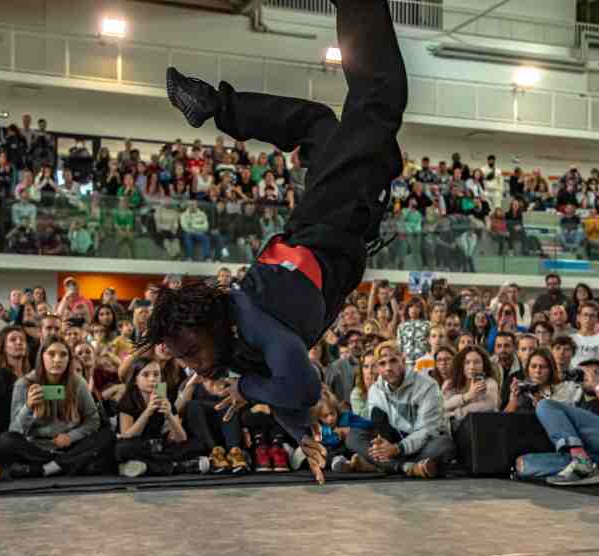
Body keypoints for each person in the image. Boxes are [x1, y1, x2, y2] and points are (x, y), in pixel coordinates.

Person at [153, 0, 408, 484]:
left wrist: (250, 389)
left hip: (332, 220)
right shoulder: (240, 345)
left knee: (381, 96)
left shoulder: (248, 323)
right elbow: (289, 390)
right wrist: (301, 436)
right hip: (324, 226)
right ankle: (217, 107)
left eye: (188, 353)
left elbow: (303, 384)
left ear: (205, 326)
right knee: (317, 126)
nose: (190, 367)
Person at [0, 335, 114, 478]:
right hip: (37, 447)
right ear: (42, 357)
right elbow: (14, 430)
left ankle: (44, 469)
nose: (57, 359)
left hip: (70, 445)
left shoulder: (78, 382)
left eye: (63, 354)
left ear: (69, 359)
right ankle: (67, 465)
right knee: (5, 441)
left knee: (107, 436)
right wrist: (28, 407)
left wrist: (70, 437)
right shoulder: (24, 384)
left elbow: (93, 420)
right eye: (51, 354)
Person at [338, 342, 453, 478]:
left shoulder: (427, 386)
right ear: (378, 368)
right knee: (354, 436)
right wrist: (380, 444)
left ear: (403, 361)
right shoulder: (376, 390)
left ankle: (381, 466)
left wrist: (397, 449)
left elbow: (427, 430)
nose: (388, 368)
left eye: (393, 361)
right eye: (382, 363)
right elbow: (378, 426)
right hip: (393, 442)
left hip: (423, 443)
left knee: (444, 445)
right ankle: (407, 467)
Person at [114, 355, 210, 477]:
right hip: (137, 445)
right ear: (135, 380)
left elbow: (181, 438)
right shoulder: (128, 399)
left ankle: (143, 466)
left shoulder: (165, 396)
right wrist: (148, 411)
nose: (152, 379)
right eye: (146, 375)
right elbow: (127, 435)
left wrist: (169, 414)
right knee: (123, 449)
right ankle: (176, 467)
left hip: (158, 446)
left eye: (156, 374)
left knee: (198, 445)